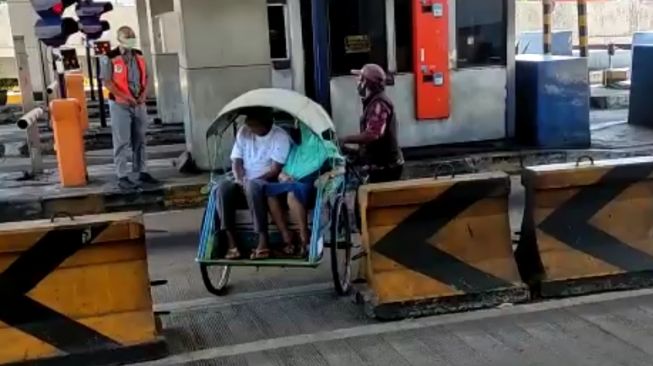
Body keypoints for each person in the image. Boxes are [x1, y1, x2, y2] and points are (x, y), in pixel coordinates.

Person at [214, 107, 291, 260]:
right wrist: (239, 178)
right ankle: (232, 244)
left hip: (268, 181)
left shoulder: (280, 136)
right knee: (222, 188)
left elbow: (275, 170)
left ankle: (263, 241)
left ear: (266, 124)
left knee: (253, 186)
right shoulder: (243, 131)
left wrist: (252, 181)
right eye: (249, 124)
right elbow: (236, 161)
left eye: (254, 125)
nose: (250, 128)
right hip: (244, 179)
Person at [265, 122, 341, 257]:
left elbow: (340, 167)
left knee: (292, 194)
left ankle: (304, 237)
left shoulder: (325, 145)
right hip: (289, 182)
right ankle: (286, 238)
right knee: (269, 192)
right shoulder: (293, 148)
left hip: (310, 185)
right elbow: (282, 170)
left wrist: (327, 175)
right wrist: (283, 175)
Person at [100, 26, 158, 190]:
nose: (131, 41)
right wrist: (127, 97)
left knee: (140, 139)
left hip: (139, 104)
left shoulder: (139, 55)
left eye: (133, 37)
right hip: (120, 105)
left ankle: (142, 171)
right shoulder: (109, 58)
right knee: (122, 141)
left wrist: (143, 96)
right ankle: (122, 176)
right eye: (128, 38)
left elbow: (146, 77)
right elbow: (108, 82)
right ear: (119, 40)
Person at [339, 63, 404, 183]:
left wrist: (345, 139)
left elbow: (373, 134)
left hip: (386, 167)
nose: (358, 83)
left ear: (366, 83)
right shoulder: (373, 102)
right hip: (379, 164)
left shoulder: (379, 103)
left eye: (360, 79)